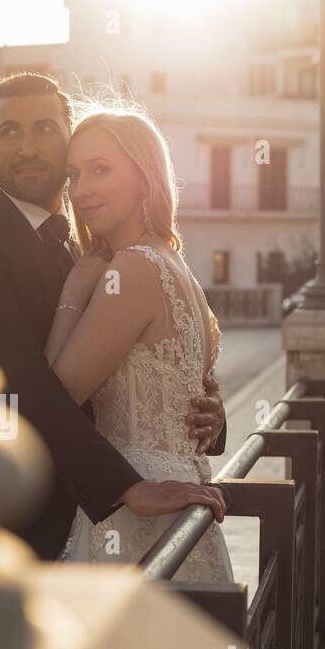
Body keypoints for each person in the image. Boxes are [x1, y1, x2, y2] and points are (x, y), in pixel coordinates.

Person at [0, 73, 227, 563]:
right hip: (11, 520)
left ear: (67, 146)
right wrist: (126, 487)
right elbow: (18, 384)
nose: (27, 147)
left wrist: (205, 417)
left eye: (45, 129)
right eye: (9, 132)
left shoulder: (92, 253)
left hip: (88, 521)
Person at [46, 105, 232, 578]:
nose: (81, 189)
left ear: (145, 175)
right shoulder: (176, 265)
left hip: (135, 512)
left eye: (100, 169)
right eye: (74, 174)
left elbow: (56, 399)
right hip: (183, 505)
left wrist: (71, 294)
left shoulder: (132, 269)